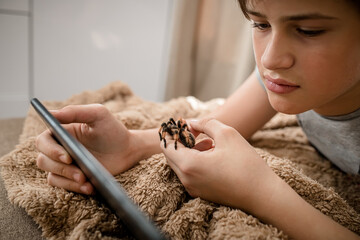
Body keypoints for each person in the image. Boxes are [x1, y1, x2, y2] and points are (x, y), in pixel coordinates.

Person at [35, 0, 360, 239]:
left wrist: (260, 192)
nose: (270, 58)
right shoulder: (279, 77)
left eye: (308, 31)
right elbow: (218, 121)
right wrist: (132, 144)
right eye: (261, 24)